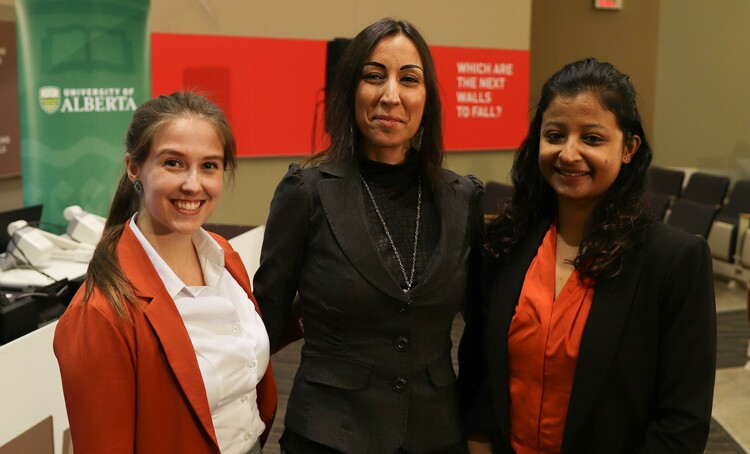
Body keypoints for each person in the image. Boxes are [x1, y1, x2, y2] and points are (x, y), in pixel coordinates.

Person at [458, 58, 716, 453]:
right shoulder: (503, 246)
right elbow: (480, 379)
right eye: (555, 135)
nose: (569, 153)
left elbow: (682, 422)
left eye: (592, 139)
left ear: (628, 148)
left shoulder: (674, 261)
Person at [253, 18, 484, 454]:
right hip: (328, 434)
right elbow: (264, 322)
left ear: (427, 97)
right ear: (350, 91)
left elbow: (479, 335)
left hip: (437, 434)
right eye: (374, 76)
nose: (390, 95)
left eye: (409, 79)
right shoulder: (306, 192)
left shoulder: (463, 199)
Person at [54, 92, 276, 454]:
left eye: (209, 166)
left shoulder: (224, 257)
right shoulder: (99, 314)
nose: (193, 184)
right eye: (173, 163)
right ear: (133, 168)